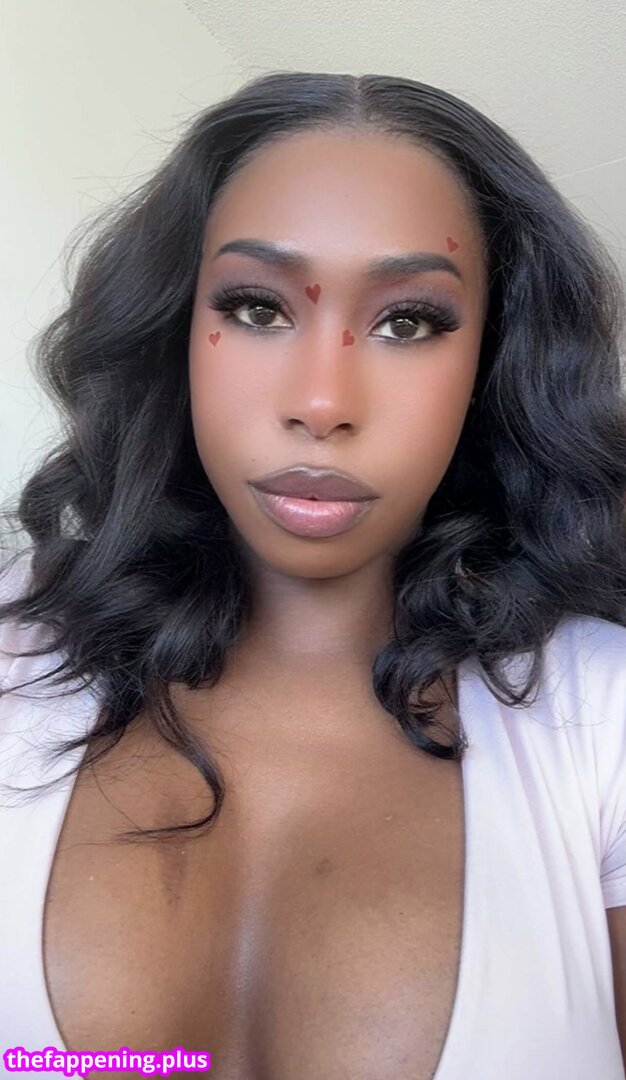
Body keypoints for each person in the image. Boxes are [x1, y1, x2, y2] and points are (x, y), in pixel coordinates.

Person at [1, 70, 626, 1080]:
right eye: (255, 308)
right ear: (174, 330)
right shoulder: (12, 663)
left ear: (492, 362)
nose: (322, 402)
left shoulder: (605, 723)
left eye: (408, 322)